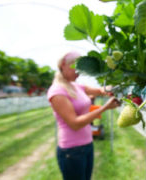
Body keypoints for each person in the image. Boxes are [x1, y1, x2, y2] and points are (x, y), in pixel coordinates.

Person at [47, 51, 120, 180]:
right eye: (76, 67)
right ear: (63, 65)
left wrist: (117, 84)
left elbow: (100, 91)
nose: (79, 71)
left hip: (87, 144)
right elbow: (75, 124)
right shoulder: (57, 91)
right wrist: (105, 107)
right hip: (72, 151)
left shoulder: (75, 86)